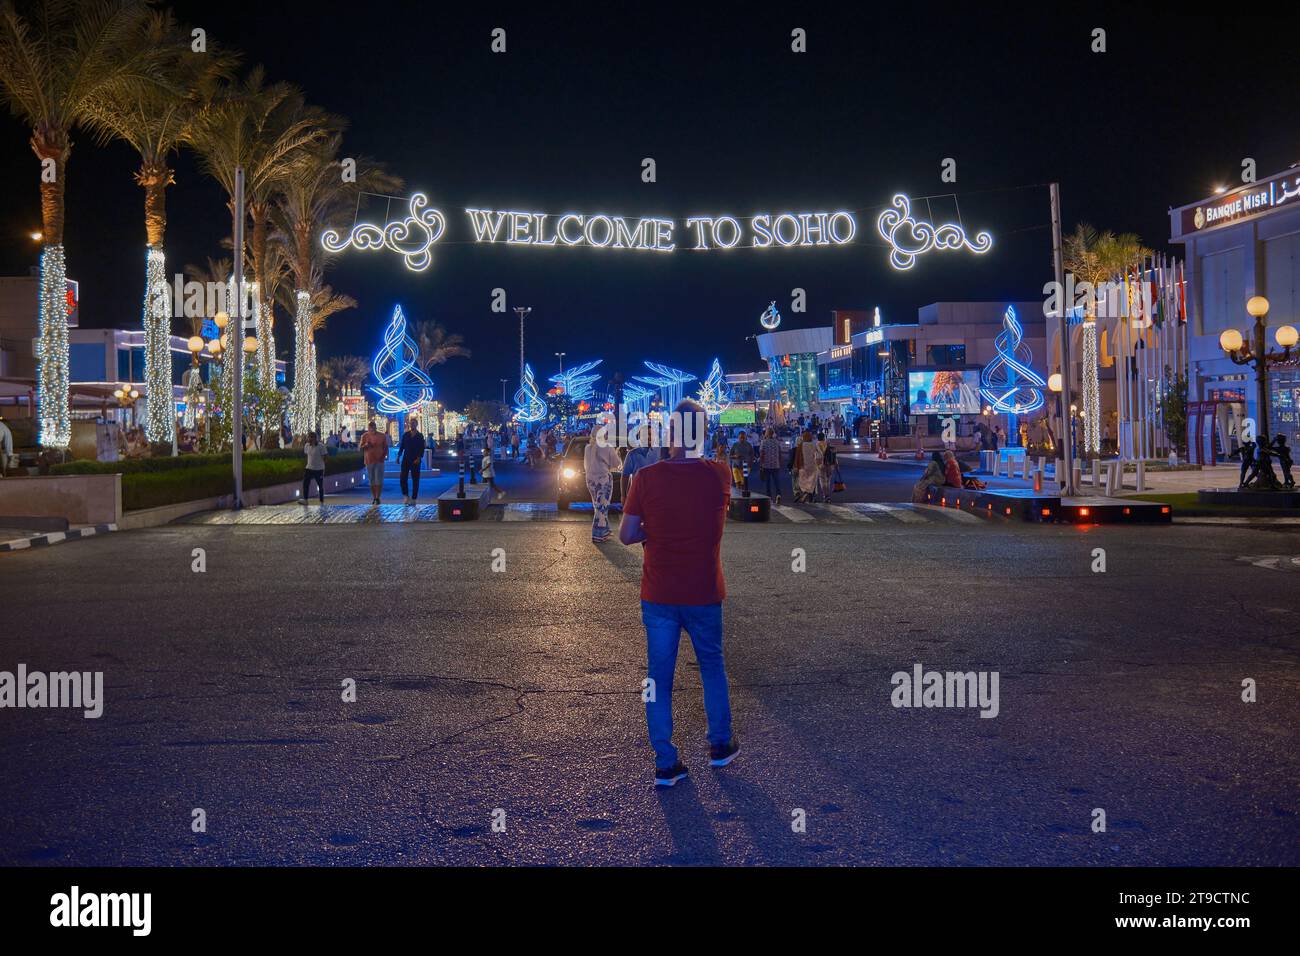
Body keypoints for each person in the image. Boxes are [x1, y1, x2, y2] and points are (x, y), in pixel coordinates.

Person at [619, 399, 738, 786]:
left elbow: (626, 535)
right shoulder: (720, 474)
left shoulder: (646, 478)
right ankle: (720, 745)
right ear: (702, 434)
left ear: (670, 432)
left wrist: (655, 530)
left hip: (660, 592)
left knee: (658, 677)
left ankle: (665, 762)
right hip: (704, 590)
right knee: (712, 668)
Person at [584, 421, 623, 543]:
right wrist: (616, 454)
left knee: (598, 505)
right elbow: (617, 464)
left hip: (590, 480)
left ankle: (605, 531)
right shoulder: (607, 447)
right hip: (603, 480)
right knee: (603, 506)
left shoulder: (587, 448)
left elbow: (586, 465)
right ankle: (598, 534)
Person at [359, 420, 389, 505]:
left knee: (378, 480)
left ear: (375, 427)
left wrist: (384, 456)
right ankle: (374, 497)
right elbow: (360, 447)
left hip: (379, 460)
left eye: (373, 428)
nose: (372, 430)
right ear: (368, 428)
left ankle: (377, 497)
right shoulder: (364, 436)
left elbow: (386, 447)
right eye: (370, 429)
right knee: (372, 480)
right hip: (369, 460)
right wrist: (366, 445)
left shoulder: (382, 436)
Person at [398, 419, 426, 505]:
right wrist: (398, 456)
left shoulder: (420, 436)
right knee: (403, 478)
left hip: (415, 460)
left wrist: (419, 458)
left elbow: (422, 448)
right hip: (406, 459)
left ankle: (414, 498)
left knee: (415, 479)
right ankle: (406, 496)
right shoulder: (406, 435)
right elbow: (402, 446)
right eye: (411, 423)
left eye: (413, 423)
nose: (411, 425)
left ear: (416, 424)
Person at [794, 429, 822, 503]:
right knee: (812, 482)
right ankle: (811, 497)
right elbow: (819, 454)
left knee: (803, 482)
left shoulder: (801, 445)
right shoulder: (813, 445)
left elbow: (797, 457)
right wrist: (818, 462)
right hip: (813, 466)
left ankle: (805, 493)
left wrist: (796, 466)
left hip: (803, 466)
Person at [758, 427, 784, 503]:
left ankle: (769, 497)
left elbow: (762, 454)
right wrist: (780, 462)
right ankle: (778, 494)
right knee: (776, 481)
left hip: (766, 465)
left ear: (766, 433)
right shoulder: (776, 442)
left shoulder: (764, 442)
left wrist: (761, 464)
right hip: (775, 464)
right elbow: (780, 453)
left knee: (768, 482)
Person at [301, 430, 327, 504]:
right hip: (309, 468)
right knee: (305, 484)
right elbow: (307, 455)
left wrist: (323, 467)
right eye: (308, 437)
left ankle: (321, 500)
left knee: (320, 485)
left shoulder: (321, 446)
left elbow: (325, 457)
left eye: (310, 438)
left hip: (318, 469)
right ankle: (305, 499)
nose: (308, 439)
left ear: (315, 438)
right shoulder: (307, 445)